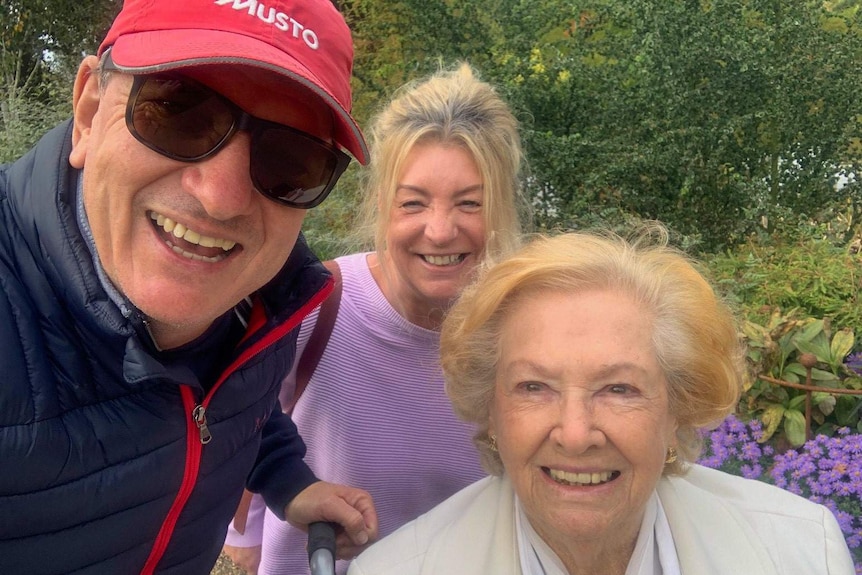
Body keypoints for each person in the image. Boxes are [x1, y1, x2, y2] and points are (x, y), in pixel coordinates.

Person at [0, 0, 381, 573]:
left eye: (290, 159)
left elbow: (236, 403)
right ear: (88, 111)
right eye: (177, 112)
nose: (220, 197)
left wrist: (288, 481)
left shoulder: (265, 299)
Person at [349, 226, 856, 575]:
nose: (574, 434)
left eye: (619, 389)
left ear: (677, 406)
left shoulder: (801, 552)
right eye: (534, 387)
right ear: (491, 411)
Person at [222, 62, 532, 574]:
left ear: (498, 210)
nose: (439, 230)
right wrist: (247, 531)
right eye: (413, 203)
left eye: (469, 203)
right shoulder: (317, 304)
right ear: (382, 206)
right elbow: (246, 418)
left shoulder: (520, 329)